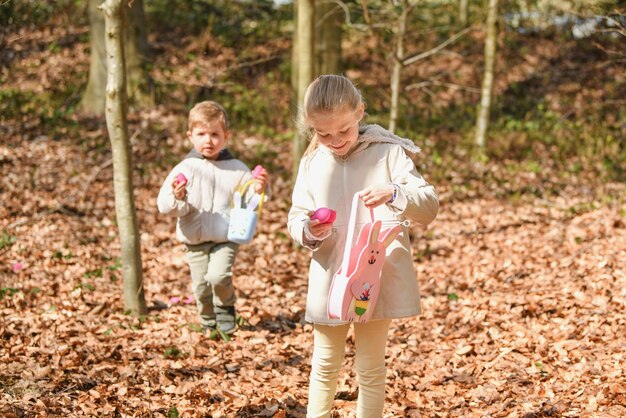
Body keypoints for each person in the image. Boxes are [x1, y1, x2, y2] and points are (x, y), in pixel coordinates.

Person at [287, 75, 439, 417]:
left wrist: (395, 193)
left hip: (374, 277)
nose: (335, 140)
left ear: (360, 112)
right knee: (324, 364)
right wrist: (309, 229)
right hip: (331, 277)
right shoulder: (312, 163)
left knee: (370, 368)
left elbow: (428, 205)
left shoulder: (389, 154)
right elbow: (296, 216)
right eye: (323, 134)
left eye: (343, 130)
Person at [157, 100, 269, 335]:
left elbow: (249, 200)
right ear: (190, 136)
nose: (208, 140)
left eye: (215, 134)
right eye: (201, 134)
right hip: (194, 240)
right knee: (201, 286)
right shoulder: (185, 168)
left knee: (218, 276)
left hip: (225, 237)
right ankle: (208, 321)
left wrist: (258, 189)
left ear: (226, 136)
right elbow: (165, 206)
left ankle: (226, 308)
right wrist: (178, 196)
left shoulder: (236, 168)